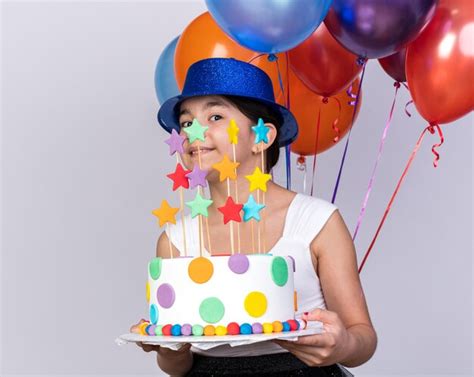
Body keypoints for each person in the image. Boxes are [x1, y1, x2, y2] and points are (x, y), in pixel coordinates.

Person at [130, 58, 377, 376]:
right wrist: (168, 350)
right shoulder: (175, 240)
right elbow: (177, 366)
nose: (193, 131)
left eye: (215, 116)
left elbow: (363, 337)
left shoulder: (316, 222)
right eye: (186, 121)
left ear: (262, 136)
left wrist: (342, 345)